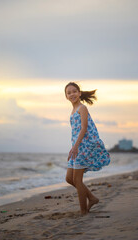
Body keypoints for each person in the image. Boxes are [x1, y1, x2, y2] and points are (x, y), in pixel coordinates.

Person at [65, 82, 110, 216]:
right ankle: (91, 198)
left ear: (79, 93)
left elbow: (84, 128)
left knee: (77, 180)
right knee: (69, 178)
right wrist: (73, 147)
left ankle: (83, 211)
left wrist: (76, 147)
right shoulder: (72, 111)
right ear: (66, 97)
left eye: (74, 91)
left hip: (83, 147)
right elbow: (75, 131)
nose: (72, 94)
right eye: (69, 92)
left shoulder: (82, 108)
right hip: (77, 147)